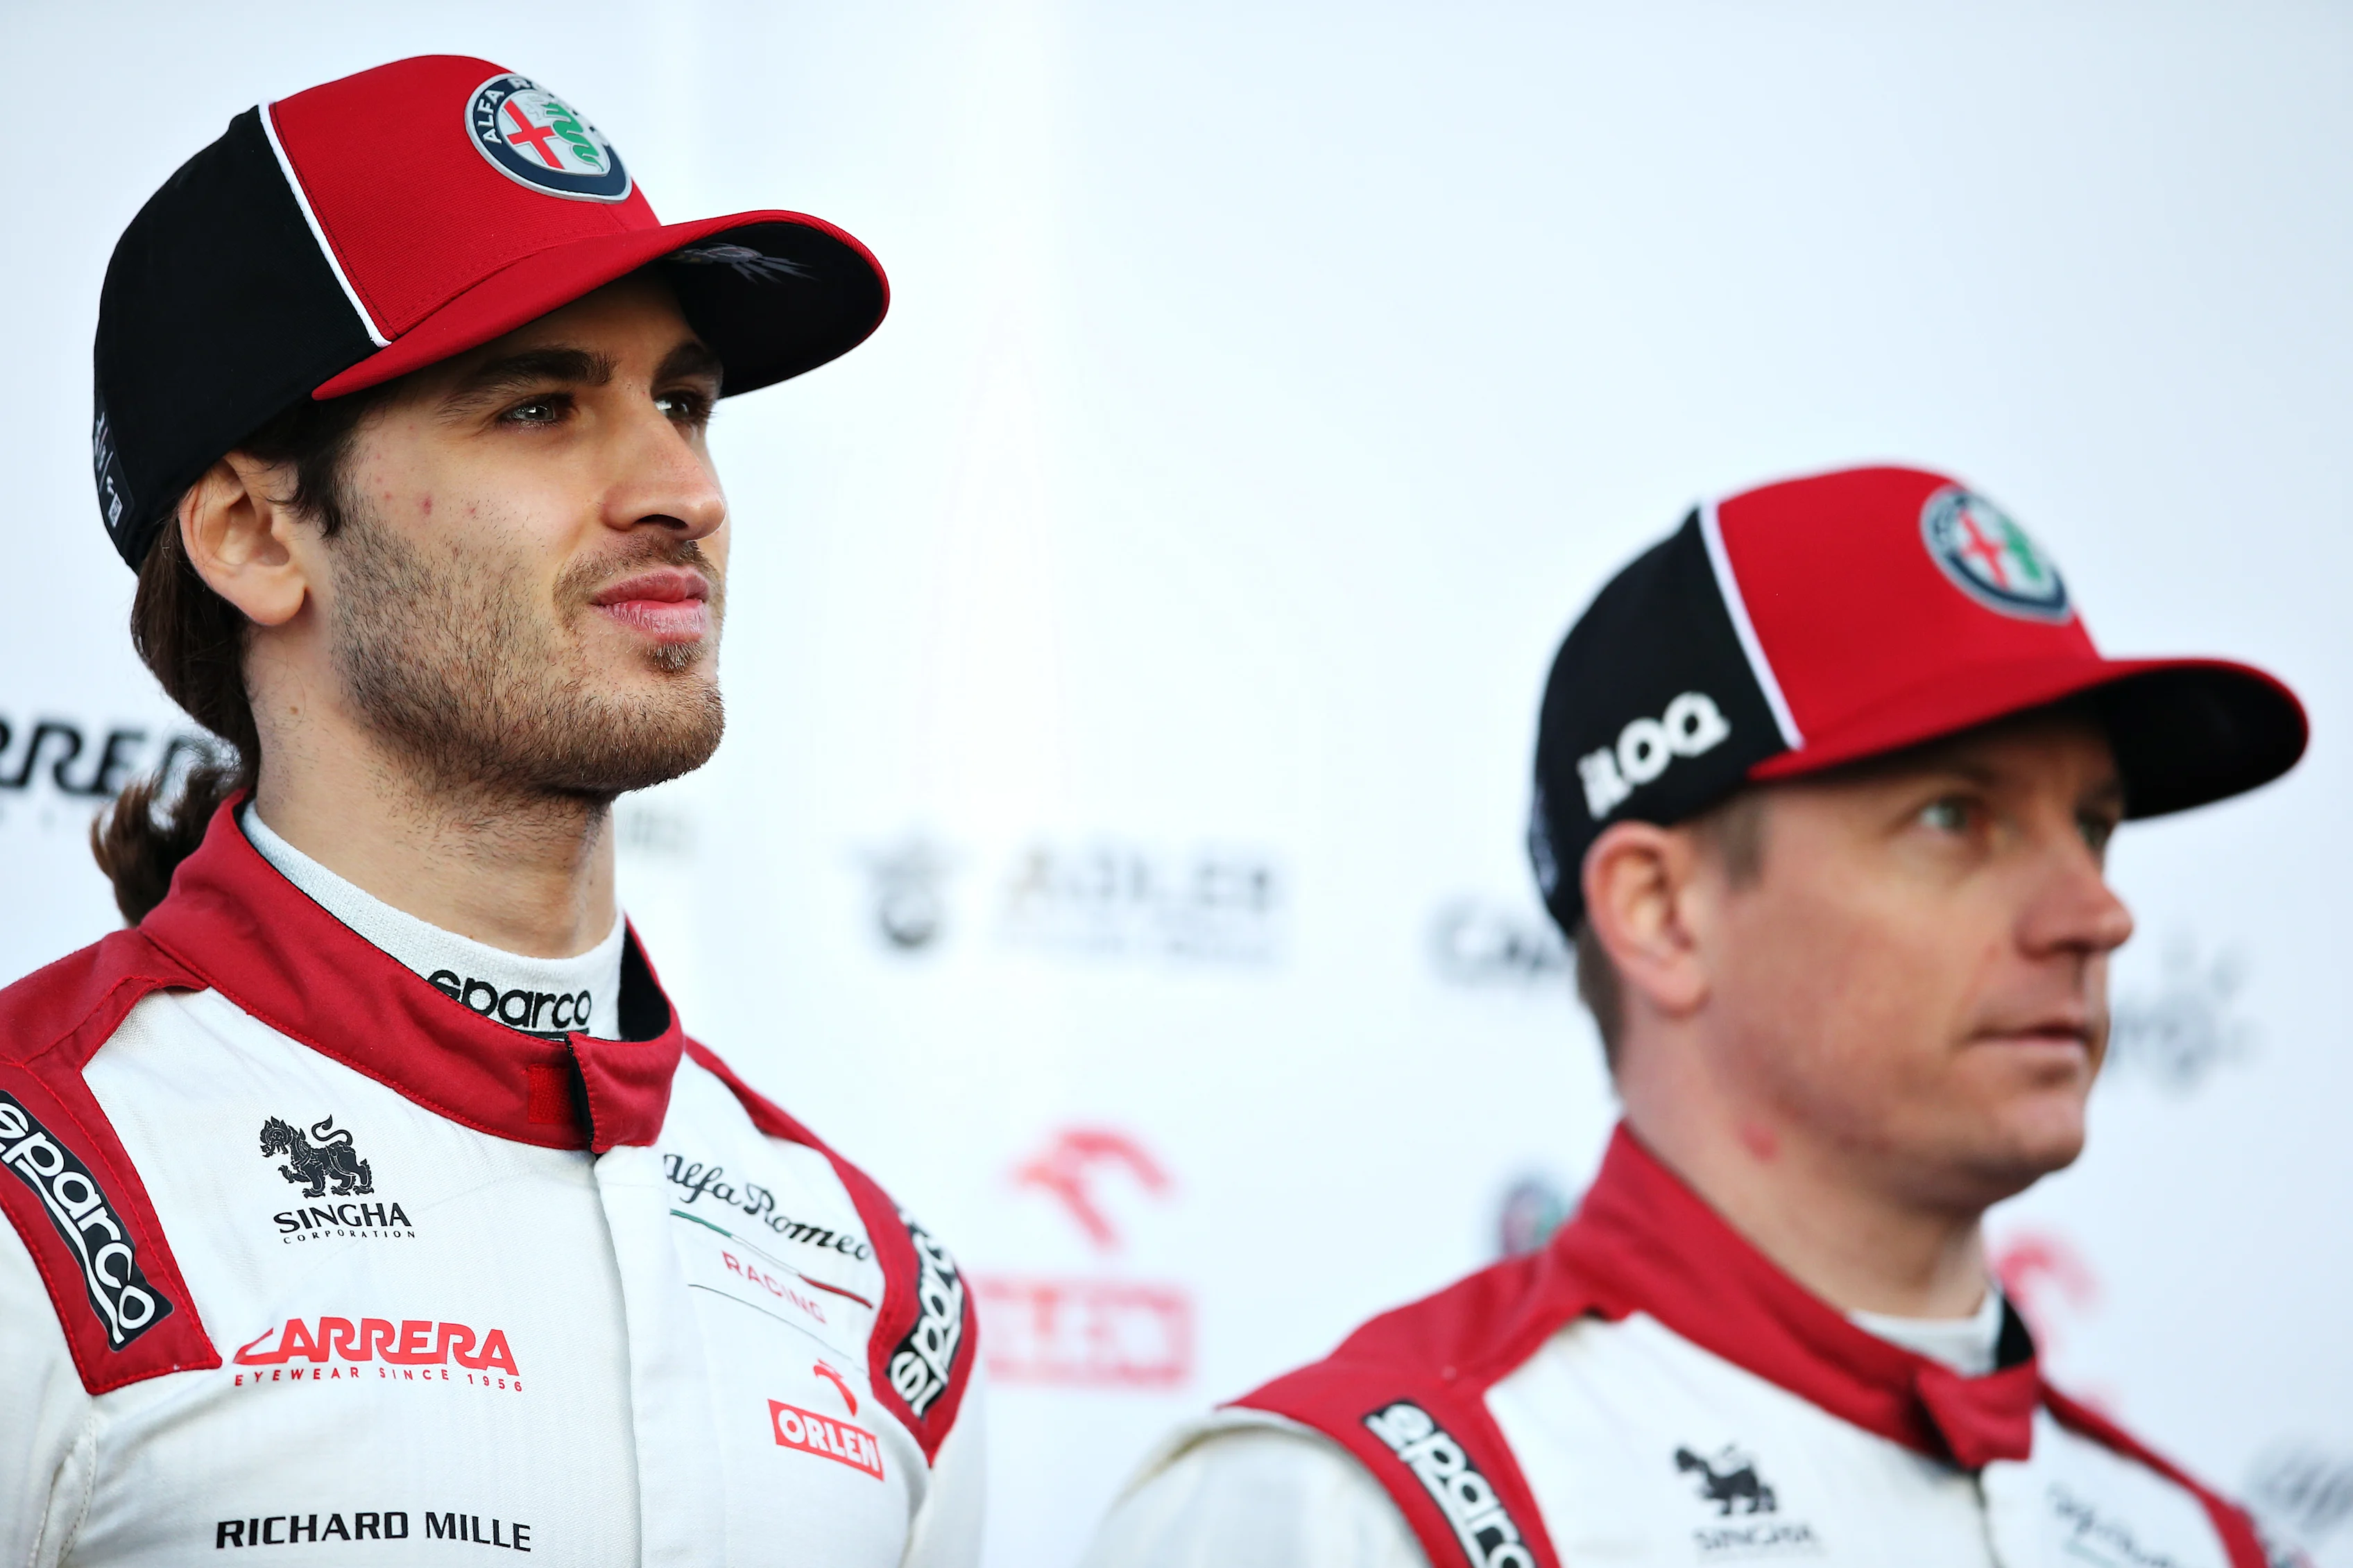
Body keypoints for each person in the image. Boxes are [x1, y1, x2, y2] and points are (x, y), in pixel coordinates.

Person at [0, 55, 979, 1565]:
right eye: (537, 406)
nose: (682, 489)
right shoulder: (31, 1186)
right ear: (258, 531)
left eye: (684, 401)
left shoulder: (878, 1281)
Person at [1085, 465, 2311, 1568]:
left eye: (2094, 827)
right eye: (1955, 817)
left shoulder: (2206, 1543)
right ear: (1662, 911)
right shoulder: (1357, 1517)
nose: (2096, 914)